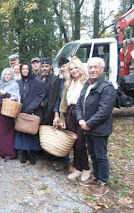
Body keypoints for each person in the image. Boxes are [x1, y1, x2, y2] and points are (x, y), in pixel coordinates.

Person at [76, 57, 116, 197]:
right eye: (90, 67)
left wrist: (88, 124)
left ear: (102, 69)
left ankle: (103, 182)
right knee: (92, 154)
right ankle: (96, 176)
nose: (92, 70)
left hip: (99, 129)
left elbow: (104, 111)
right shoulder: (88, 84)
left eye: (95, 67)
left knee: (101, 155)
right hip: (86, 127)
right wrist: (80, 118)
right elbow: (80, 103)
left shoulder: (107, 87)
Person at [59, 56, 91, 181]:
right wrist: (62, 117)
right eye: (71, 69)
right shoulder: (69, 83)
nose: (74, 71)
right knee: (73, 142)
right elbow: (63, 102)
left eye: (76, 68)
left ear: (81, 68)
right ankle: (78, 167)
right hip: (70, 113)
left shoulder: (87, 82)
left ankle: (86, 169)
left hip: (82, 113)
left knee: (80, 143)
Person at [14, 62, 45, 165]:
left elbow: (40, 96)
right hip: (21, 111)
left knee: (31, 133)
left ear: (30, 70)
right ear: (21, 70)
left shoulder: (37, 82)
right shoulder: (18, 83)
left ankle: (32, 154)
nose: (25, 71)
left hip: (33, 111)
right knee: (22, 132)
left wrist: (31, 108)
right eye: (23, 69)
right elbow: (15, 95)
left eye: (27, 69)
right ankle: (24, 153)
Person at [0, 68, 20, 161]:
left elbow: (17, 97)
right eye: (5, 74)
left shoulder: (14, 85)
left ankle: (9, 153)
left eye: (9, 74)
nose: (7, 76)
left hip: (9, 111)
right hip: (0, 111)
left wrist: (6, 94)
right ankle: (1, 151)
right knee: (0, 133)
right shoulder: (0, 84)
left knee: (9, 133)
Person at [51, 57, 70, 171]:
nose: (62, 69)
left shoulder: (73, 80)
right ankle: (63, 160)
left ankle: (75, 164)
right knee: (62, 137)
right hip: (61, 113)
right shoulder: (59, 81)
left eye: (64, 66)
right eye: (60, 67)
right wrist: (56, 115)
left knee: (72, 138)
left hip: (71, 113)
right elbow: (57, 99)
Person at [40, 57, 61, 125]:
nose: (44, 68)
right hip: (39, 112)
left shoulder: (55, 80)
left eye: (46, 66)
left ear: (51, 67)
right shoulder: (37, 79)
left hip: (50, 113)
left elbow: (56, 98)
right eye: (42, 66)